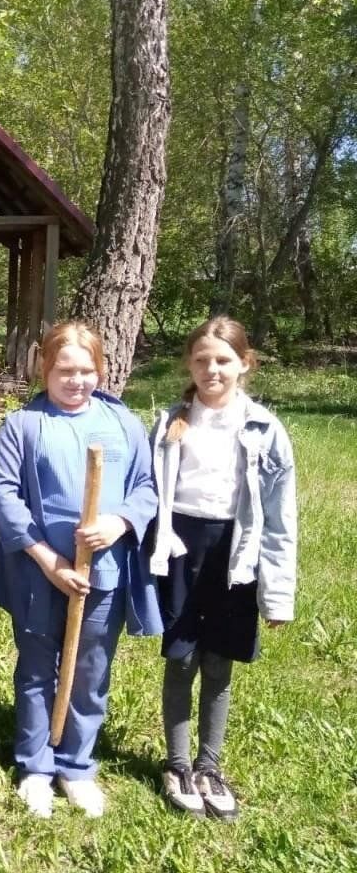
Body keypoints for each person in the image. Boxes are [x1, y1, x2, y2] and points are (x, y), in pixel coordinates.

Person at [0, 321, 161, 819]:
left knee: (90, 668)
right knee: (38, 667)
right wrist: (48, 558)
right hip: (40, 570)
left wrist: (119, 523)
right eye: (64, 370)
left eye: (86, 371)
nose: (76, 380)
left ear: (101, 370)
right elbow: (5, 495)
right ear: (46, 369)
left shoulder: (123, 423)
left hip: (103, 571)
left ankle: (76, 764)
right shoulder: (24, 425)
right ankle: (35, 764)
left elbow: (146, 486)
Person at [148, 317, 296, 822]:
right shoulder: (171, 421)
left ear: (244, 364)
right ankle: (178, 763)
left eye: (224, 360)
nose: (213, 369)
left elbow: (279, 516)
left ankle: (209, 766)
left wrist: (277, 594)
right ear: (189, 363)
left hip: (237, 551)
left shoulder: (264, 429)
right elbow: (152, 497)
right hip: (182, 549)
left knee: (219, 661)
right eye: (202, 359)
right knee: (182, 657)